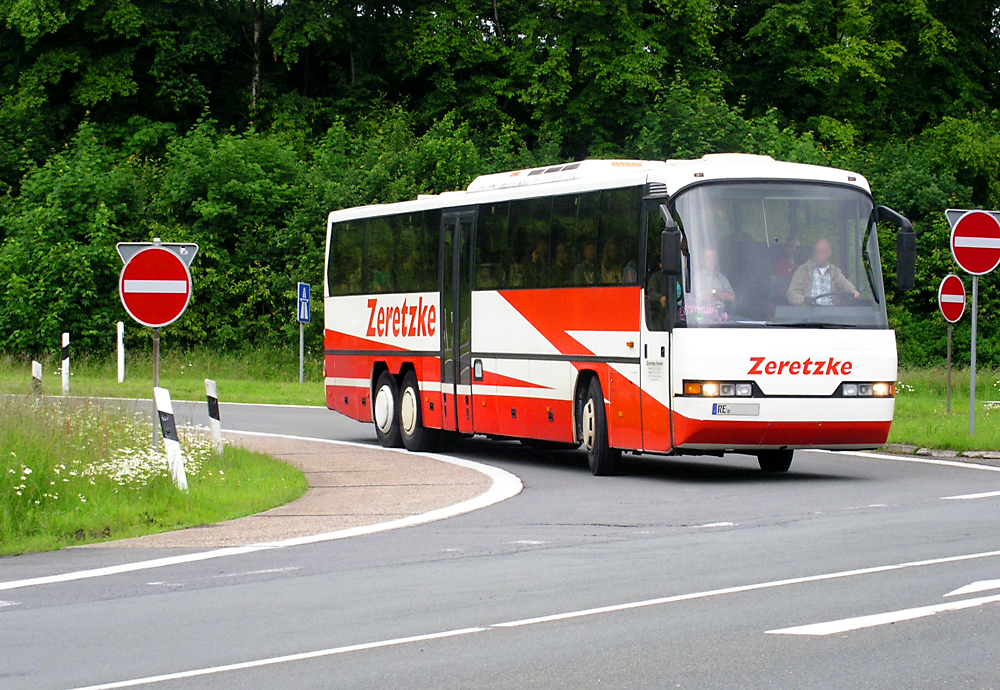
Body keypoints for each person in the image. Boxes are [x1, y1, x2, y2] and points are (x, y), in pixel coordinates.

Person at [787, 239, 860, 306]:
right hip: (808, 315)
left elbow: (845, 284)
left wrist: (853, 291)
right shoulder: (803, 270)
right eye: (818, 251)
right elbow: (792, 294)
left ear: (829, 253)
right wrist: (804, 300)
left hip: (831, 316)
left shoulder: (835, 271)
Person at [695, 247, 735, 312]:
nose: (711, 261)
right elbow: (702, 299)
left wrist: (714, 291)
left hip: (723, 315)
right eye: (708, 258)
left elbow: (731, 297)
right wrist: (721, 297)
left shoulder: (722, 278)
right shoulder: (698, 277)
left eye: (713, 257)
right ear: (702, 260)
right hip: (704, 315)